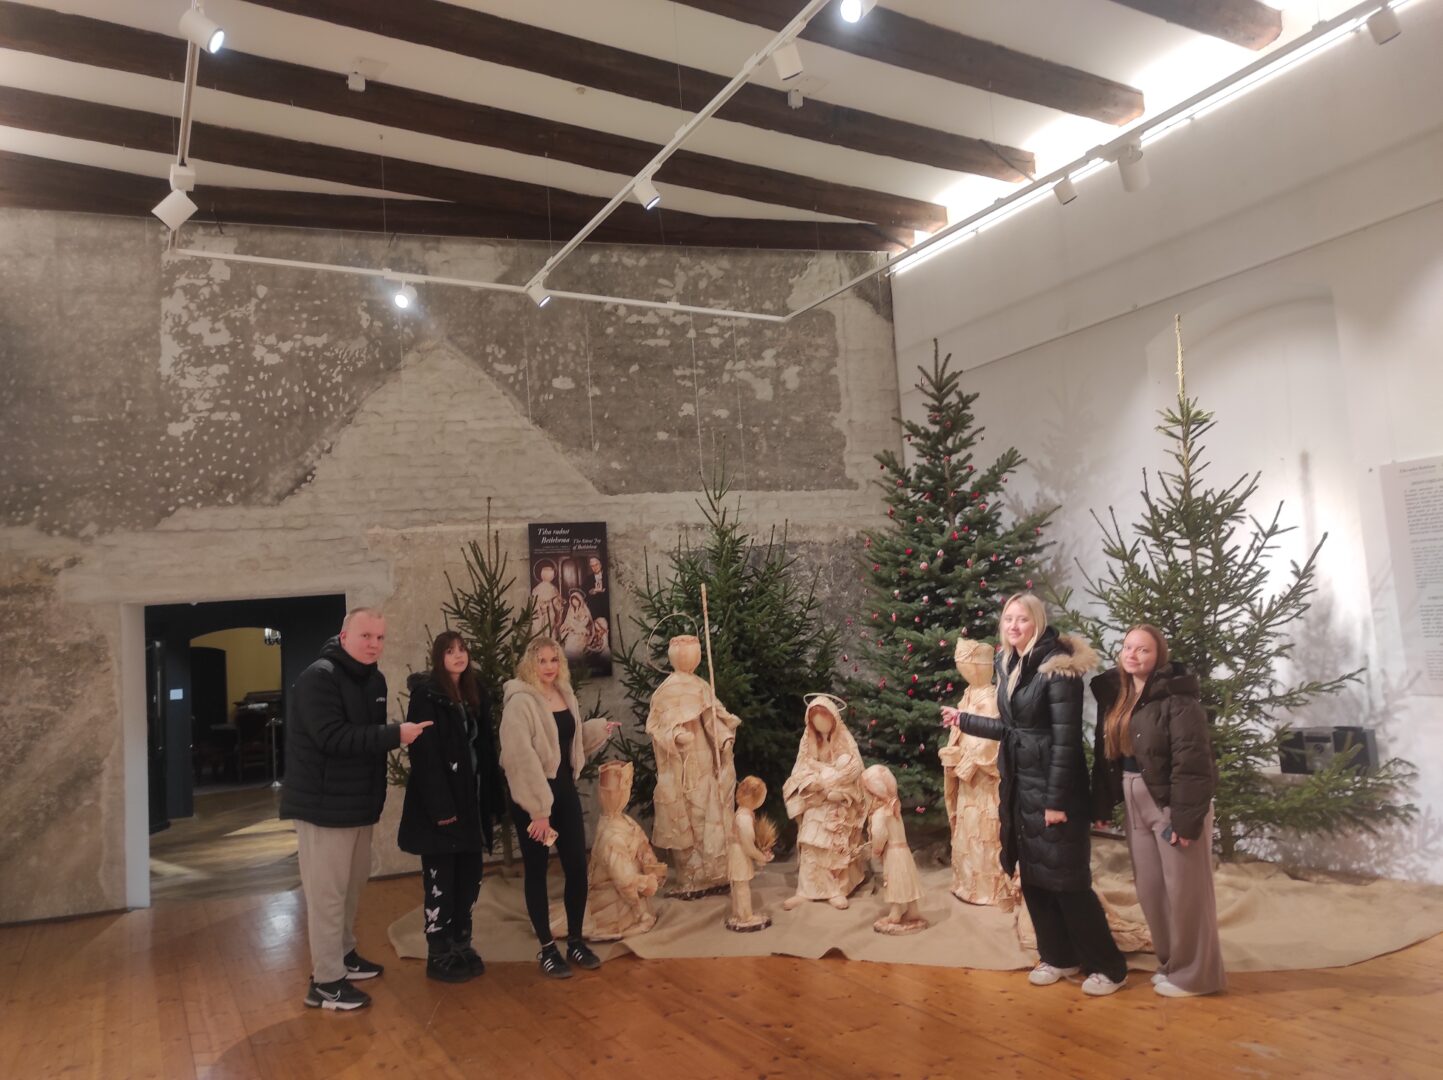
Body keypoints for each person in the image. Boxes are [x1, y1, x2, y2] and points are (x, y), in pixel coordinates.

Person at [941, 593, 1129, 997]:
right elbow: (1013, 730)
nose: (1013, 626)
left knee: (1067, 881)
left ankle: (1110, 967)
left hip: (1054, 790)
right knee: (1035, 880)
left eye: (1022, 619)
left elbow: (1065, 742)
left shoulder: (1058, 669)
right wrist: (965, 720)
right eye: (1008, 618)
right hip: (1021, 787)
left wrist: (1057, 802)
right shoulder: (1010, 664)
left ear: (1037, 623)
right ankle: (1058, 956)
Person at [280, 607, 432, 1011]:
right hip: (322, 808)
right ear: (344, 636)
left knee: (350, 889)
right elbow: (332, 738)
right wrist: (395, 734)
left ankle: (344, 956)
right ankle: (326, 983)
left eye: (380, 638)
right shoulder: (318, 678)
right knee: (327, 896)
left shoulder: (374, 679)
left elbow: (365, 742)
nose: (374, 644)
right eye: (366, 636)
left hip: (358, 806)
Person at [1092, 625, 1226, 998]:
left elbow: (1194, 763)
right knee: (1151, 889)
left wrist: (1185, 818)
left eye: (1143, 649)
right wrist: (1103, 802)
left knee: (1185, 892)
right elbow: (1106, 756)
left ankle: (1196, 977)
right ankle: (1171, 964)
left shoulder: (1178, 699)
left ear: (1159, 656)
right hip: (1134, 797)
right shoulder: (1118, 695)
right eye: (1128, 647)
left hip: (1171, 801)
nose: (1133, 654)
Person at [498, 636, 616, 978]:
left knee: (576, 866)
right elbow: (519, 758)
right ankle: (547, 949)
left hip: (563, 791)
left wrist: (598, 729)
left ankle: (575, 940)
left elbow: (565, 742)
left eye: (554, 660)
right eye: (542, 661)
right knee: (537, 869)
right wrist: (538, 811)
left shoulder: (564, 693)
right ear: (530, 664)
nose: (549, 666)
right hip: (533, 798)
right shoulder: (520, 702)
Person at [397, 631, 505, 983]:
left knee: (469, 877)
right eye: (450, 651)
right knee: (441, 879)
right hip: (441, 806)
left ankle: (461, 942)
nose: (458, 656)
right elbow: (424, 756)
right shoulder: (427, 696)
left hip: (472, 801)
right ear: (439, 658)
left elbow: (486, 749)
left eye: (462, 649)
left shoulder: (475, 693)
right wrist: (441, 809)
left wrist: (492, 801)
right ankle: (438, 951)